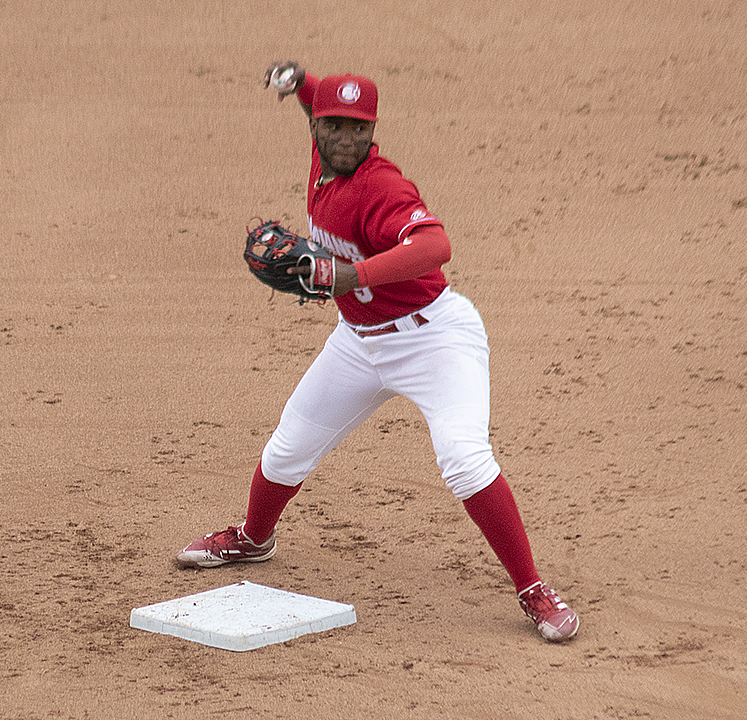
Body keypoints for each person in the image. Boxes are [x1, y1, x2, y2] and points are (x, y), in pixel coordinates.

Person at [177, 61, 580, 642]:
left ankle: (532, 590)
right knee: (288, 448)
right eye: (334, 126)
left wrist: (352, 274)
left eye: (358, 129)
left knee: (464, 458)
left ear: (373, 132)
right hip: (359, 343)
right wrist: (298, 81)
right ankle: (253, 538)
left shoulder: (382, 186)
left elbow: (435, 244)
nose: (346, 139)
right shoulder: (322, 154)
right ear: (318, 128)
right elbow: (318, 97)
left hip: (434, 338)